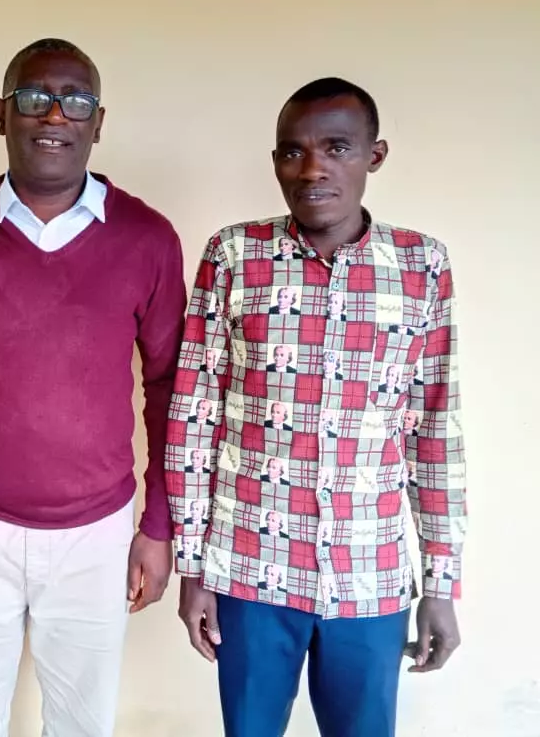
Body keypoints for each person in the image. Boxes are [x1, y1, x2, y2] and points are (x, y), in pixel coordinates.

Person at [0, 38, 187, 737]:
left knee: (82, 726)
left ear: (98, 123)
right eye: (34, 97)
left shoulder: (148, 239)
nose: (54, 114)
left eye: (75, 100)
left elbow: (168, 389)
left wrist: (159, 525)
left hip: (97, 534)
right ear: (1, 114)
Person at [166, 77, 467, 737]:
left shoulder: (421, 265)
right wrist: (194, 569)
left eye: (336, 148)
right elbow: (193, 416)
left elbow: (434, 431)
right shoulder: (233, 254)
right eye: (291, 152)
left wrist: (441, 585)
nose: (311, 169)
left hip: (369, 575)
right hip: (249, 570)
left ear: (374, 155)